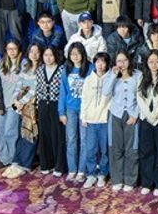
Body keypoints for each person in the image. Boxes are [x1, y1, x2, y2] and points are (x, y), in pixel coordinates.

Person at [2, 43, 42, 179]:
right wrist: (16, 100)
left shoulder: (41, 69)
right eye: (31, 52)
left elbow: (35, 88)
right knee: (21, 133)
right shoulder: (26, 68)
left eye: (37, 52)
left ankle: (24, 164)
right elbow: (18, 85)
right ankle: (16, 162)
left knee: (30, 134)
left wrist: (22, 102)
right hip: (21, 106)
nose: (34, 55)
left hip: (33, 107)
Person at [136, 50, 158, 196]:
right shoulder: (142, 76)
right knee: (146, 151)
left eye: (156, 61)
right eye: (151, 61)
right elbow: (139, 97)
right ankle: (147, 182)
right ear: (147, 63)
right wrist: (149, 116)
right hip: (146, 119)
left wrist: (154, 115)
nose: (154, 64)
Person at [80, 51, 114, 189]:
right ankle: (91, 174)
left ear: (107, 64)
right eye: (98, 61)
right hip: (90, 120)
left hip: (104, 120)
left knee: (104, 149)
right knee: (91, 149)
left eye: (103, 61)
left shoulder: (111, 79)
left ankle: (102, 174)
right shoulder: (89, 79)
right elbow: (84, 99)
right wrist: (83, 116)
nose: (100, 64)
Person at [107, 50, 141, 192]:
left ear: (129, 61)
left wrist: (135, 115)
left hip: (132, 115)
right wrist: (113, 76)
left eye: (125, 60)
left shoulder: (138, 75)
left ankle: (130, 180)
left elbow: (141, 97)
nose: (122, 63)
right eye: (119, 61)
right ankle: (117, 179)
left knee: (131, 149)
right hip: (116, 114)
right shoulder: (112, 75)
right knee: (115, 148)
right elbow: (105, 92)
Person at [59, 42, 91, 182]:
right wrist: (61, 112)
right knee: (71, 139)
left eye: (78, 53)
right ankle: (72, 169)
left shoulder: (90, 68)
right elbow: (63, 92)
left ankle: (82, 170)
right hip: (70, 109)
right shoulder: (66, 69)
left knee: (84, 140)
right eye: (72, 54)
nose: (75, 56)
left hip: (86, 110)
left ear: (83, 54)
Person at [36, 46, 66, 176]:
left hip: (56, 104)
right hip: (43, 104)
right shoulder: (39, 70)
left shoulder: (62, 70)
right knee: (44, 135)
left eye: (51, 55)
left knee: (57, 135)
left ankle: (59, 166)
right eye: (45, 55)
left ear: (56, 56)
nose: (48, 58)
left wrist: (62, 109)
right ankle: (46, 164)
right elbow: (38, 89)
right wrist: (38, 107)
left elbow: (64, 90)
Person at [0, 40, 23, 167]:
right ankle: (3, 156)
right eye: (9, 49)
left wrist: (20, 100)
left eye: (14, 48)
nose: (12, 51)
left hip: (15, 103)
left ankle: (11, 158)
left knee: (10, 131)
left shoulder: (24, 64)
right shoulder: (1, 63)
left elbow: (26, 84)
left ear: (19, 50)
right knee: (1, 130)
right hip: (2, 101)